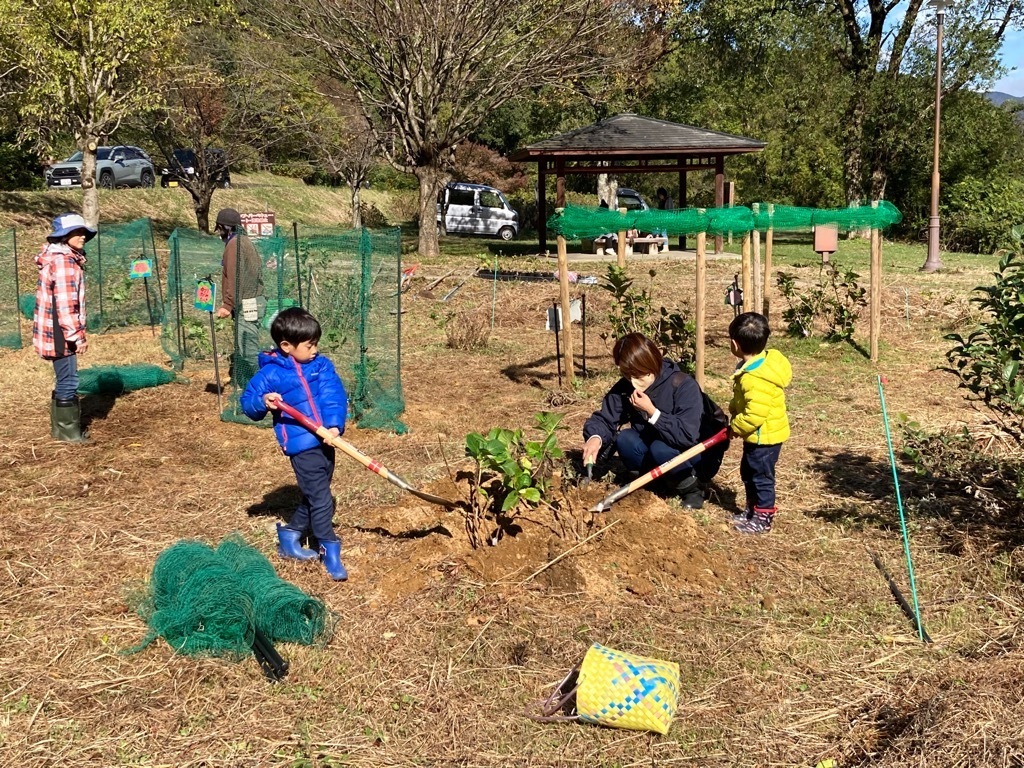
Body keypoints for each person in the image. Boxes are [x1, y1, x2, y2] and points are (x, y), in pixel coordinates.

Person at [240, 308, 350, 580]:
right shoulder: (271, 375)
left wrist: (334, 425)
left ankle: (290, 535)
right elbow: (247, 403)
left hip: (326, 439)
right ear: (286, 346)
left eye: (316, 343)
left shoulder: (321, 366)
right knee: (322, 498)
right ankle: (328, 547)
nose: (315, 349)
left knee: (317, 493)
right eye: (309, 345)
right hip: (301, 445)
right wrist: (263, 402)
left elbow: (333, 394)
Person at [582, 333, 728, 509]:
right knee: (625, 439)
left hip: (694, 454)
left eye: (639, 375)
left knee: (661, 448)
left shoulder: (682, 385)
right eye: (628, 375)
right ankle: (652, 484)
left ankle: (691, 489)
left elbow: (687, 435)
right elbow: (606, 417)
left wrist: (652, 412)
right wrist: (595, 437)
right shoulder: (627, 386)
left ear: (651, 365)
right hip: (656, 447)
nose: (634, 382)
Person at [727, 312, 792, 534]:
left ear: (735, 344)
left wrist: (736, 426)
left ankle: (763, 518)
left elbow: (755, 414)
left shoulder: (754, 379)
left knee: (761, 476)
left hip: (765, 437)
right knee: (749, 471)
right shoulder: (758, 363)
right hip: (759, 435)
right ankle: (752, 510)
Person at [33, 213, 95, 442]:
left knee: (63, 378)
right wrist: (77, 337)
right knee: (69, 379)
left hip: (53, 329)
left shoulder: (56, 258)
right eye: (77, 233)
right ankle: (69, 434)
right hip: (60, 332)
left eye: (84, 232)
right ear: (64, 236)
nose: (82, 237)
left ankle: (60, 430)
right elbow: (67, 305)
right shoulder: (65, 263)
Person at [213, 207, 265, 385]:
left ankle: (265, 386)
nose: (219, 233)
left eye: (220, 229)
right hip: (251, 301)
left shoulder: (234, 245)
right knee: (245, 347)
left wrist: (228, 305)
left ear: (225, 228)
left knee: (248, 351)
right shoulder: (244, 241)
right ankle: (250, 384)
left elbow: (236, 278)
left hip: (248, 303)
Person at [656, 187, 674, 252]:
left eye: (660, 195)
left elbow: (669, 210)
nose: (659, 197)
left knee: (664, 231)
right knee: (658, 230)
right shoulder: (662, 201)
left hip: (667, 218)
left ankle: (666, 246)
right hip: (662, 218)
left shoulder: (669, 199)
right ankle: (660, 244)